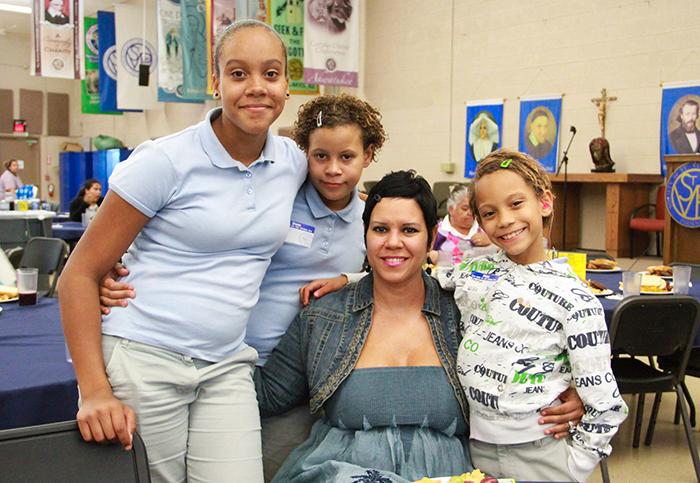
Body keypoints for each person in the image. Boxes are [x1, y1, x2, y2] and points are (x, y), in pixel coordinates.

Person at [59, 19, 306, 482]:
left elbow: (344, 199)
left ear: (287, 85)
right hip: (145, 358)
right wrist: (93, 390)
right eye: (238, 74)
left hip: (228, 363)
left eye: (270, 74)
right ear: (215, 82)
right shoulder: (164, 161)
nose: (256, 88)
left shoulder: (292, 161)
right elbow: (78, 275)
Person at [97, 92, 389, 481]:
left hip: (303, 372)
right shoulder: (281, 196)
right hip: (240, 359)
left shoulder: (369, 219)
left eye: (347, 158)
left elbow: (391, 273)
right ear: (305, 155)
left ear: (367, 156)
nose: (332, 169)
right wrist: (109, 267)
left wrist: (348, 279)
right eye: (320, 157)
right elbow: (206, 233)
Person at [255, 170, 585, 482]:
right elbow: (268, 393)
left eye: (409, 230)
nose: (393, 242)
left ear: (430, 239)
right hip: (343, 471)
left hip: (450, 474)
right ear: (365, 235)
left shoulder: (469, 310)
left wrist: (571, 386)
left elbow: (534, 338)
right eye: (380, 229)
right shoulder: (325, 315)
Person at [437, 149, 627, 482]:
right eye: (489, 212)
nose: (505, 220)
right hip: (474, 450)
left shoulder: (575, 297)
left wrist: (575, 466)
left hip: (544, 453)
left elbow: (605, 401)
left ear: (544, 203)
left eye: (516, 204)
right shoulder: (474, 273)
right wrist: (345, 280)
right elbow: (418, 278)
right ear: (479, 223)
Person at [429, 184, 496, 266]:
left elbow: (503, 249)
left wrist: (491, 241)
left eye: (473, 208)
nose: (470, 213)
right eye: (465, 208)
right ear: (451, 209)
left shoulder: (484, 226)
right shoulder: (439, 231)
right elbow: (426, 254)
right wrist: (439, 257)